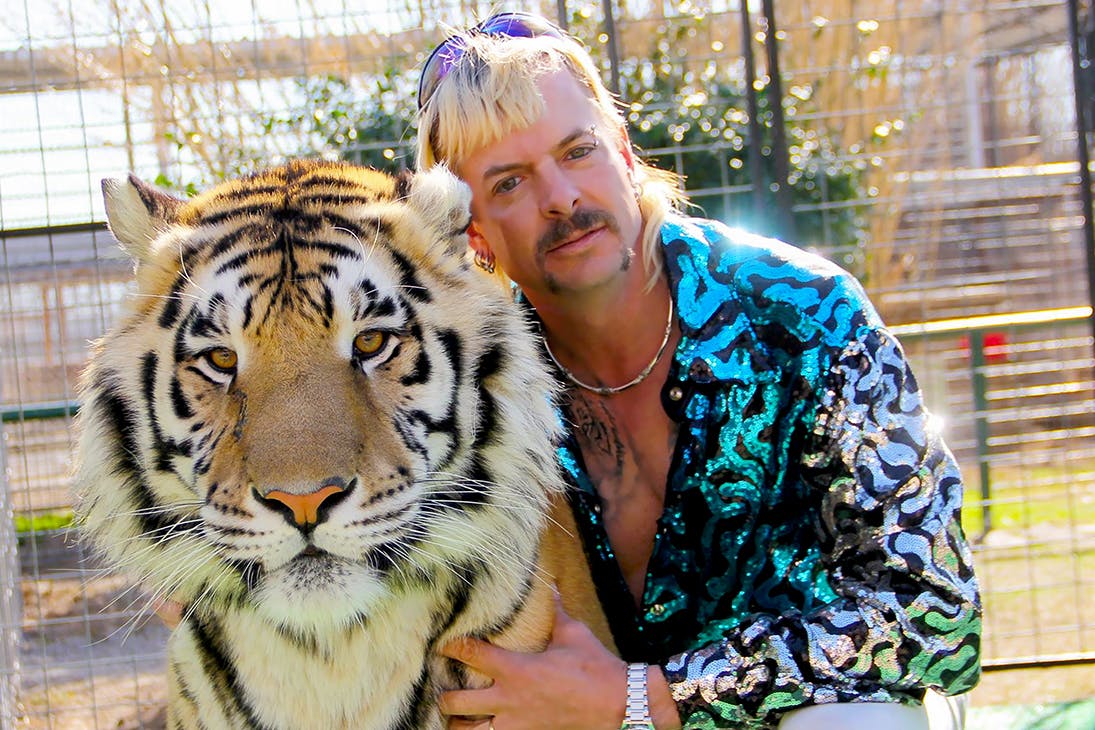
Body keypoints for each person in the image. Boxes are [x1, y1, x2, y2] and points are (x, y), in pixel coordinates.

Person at [414, 11, 982, 730]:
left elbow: (935, 613)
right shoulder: (471, 391)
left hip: (819, 710)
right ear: (475, 237)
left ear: (622, 150)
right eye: (509, 184)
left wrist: (647, 700)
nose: (559, 196)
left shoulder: (803, 313)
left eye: (578, 150)